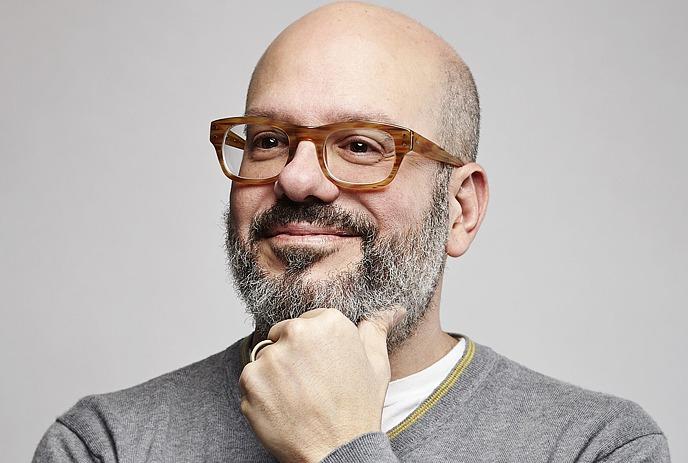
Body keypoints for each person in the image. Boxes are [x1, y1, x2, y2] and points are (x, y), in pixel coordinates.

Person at [33, 2, 670, 462]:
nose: (298, 179)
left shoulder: (597, 446)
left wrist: (342, 450)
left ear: (460, 209)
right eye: (270, 140)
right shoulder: (106, 443)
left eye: (362, 145)